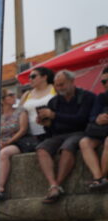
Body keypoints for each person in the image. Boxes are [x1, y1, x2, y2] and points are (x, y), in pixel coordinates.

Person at [35, 70, 97, 203]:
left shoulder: (87, 97)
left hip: (80, 132)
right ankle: (53, 185)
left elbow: (81, 119)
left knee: (67, 148)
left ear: (72, 82)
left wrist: (54, 116)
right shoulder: (54, 102)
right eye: (57, 85)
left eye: (62, 84)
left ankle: (57, 184)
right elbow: (51, 129)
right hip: (59, 134)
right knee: (42, 149)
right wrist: (46, 123)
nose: (59, 88)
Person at [78, 66, 108, 191]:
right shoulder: (101, 97)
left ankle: (104, 178)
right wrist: (97, 118)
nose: (104, 84)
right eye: (103, 81)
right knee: (84, 142)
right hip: (102, 130)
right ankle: (98, 177)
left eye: (106, 81)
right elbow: (91, 116)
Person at [0, 88, 28, 200]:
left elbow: (23, 129)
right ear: (2, 100)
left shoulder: (20, 111)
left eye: (14, 94)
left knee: (3, 154)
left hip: (18, 142)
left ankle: (0, 188)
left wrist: (8, 142)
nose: (14, 96)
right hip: (0, 142)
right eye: (10, 95)